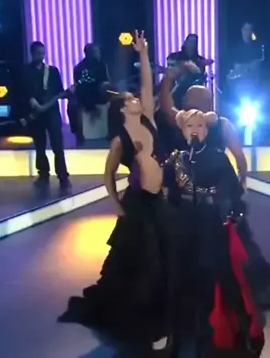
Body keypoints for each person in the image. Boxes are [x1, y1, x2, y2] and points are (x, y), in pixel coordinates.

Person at [58, 31, 173, 356]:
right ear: (123, 109)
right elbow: (108, 174)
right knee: (144, 262)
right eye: (131, 99)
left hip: (159, 201)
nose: (136, 99)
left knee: (165, 257)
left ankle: (164, 314)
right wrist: (117, 204)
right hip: (137, 205)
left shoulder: (149, 121)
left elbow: (148, 85)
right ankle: (145, 323)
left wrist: (144, 54)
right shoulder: (120, 139)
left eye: (137, 98)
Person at [159, 63, 270, 309]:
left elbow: (239, 156)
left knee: (241, 239)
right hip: (193, 199)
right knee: (211, 247)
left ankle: (261, 278)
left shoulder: (220, 124)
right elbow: (167, 107)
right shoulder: (184, 122)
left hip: (220, 194)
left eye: (195, 101)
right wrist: (168, 79)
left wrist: (240, 183)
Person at [164, 109, 264, 357]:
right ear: (183, 131)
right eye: (190, 126)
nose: (195, 130)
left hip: (210, 223)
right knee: (177, 280)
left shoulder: (219, 158)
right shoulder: (175, 160)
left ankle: (244, 330)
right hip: (184, 224)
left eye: (200, 125)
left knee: (223, 276)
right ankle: (175, 337)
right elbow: (170, 194)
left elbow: (232, 190)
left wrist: (230, 209)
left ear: (207, 131)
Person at [21, 41, 70, 188]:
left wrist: (67, 93)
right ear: (32, 53)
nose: (41, 56)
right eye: (38, 53)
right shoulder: (24, 71)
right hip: (35, 113)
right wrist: (32, 102)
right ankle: (43, 173)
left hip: (52, 112)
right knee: (40, 145)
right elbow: (21, 91)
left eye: (43, 53)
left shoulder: (52, 71)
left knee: (58, 145)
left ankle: (63, 175)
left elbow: (60, 91)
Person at [69, 43, 111, 146]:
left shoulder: (102, 65)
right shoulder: (79, 68)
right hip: (84, 95)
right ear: (88, 53)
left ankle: (111, 132)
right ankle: (78, 134)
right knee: (72, 106)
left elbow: (106, 82)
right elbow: (78, 86)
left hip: (99, 94)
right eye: (95, 52)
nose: (98, 54)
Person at [167, 34, 212, 105]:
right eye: (190, 41)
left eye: (194, 42)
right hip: (176, 93)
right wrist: (185, 65)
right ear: (185, 42)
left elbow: (200, 76)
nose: (191, 44)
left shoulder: (200, 59)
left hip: (193, 95)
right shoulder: (174, 56)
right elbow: (170, 64)